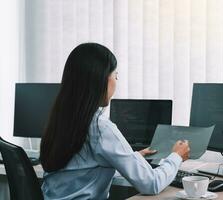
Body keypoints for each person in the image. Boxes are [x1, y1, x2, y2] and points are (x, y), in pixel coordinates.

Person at [40, 43, 190, 200]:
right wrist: (176, 156)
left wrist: (132, 157)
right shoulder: (100, 127)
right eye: (115, 76)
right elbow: (151, 183)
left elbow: (82, 169)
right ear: (102, 80)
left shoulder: (62, 119)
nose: (116, 83)